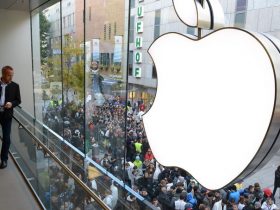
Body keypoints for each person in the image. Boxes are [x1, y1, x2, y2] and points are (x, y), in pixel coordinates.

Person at [0, 66, 21, 169]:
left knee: (6, 138)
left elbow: (18, 100)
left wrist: (11, 104)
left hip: (7, 115)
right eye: (9, 75)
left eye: (12, 75)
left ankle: (4, 159)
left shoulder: (15, 86)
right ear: (3, 74)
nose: (11, 77)